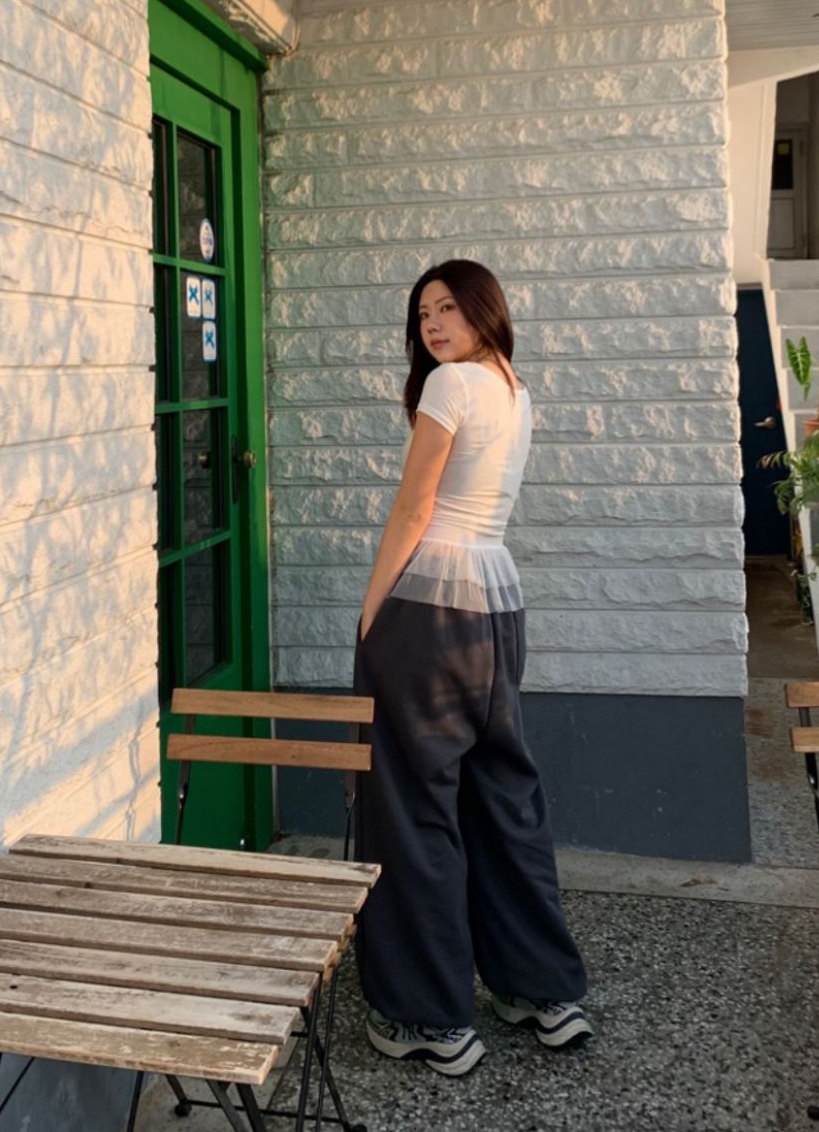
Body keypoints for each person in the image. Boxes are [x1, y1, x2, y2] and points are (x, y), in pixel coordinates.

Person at [352, 259, 589, 1078]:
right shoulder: (515, 390)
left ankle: (428, 1015)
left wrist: (372, 613)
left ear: (485, 309)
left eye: (449, 307)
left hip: (430, 607)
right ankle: (541, 991)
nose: (433, 323)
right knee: (503, 797)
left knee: (413, 805)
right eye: (423, 312)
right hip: (496, 603)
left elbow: (414, 507)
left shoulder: (449, 384)